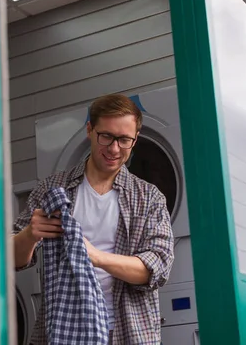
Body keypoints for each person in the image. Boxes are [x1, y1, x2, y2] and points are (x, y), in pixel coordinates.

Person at [12, 93, 175, 344]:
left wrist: (95, 257)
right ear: (90, 130)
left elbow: (157, 268)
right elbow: (10, 259)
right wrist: (29, 235)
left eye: (124, 140)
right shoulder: (53, 190)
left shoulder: (148, 198)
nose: (113, 148)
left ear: (135, 140)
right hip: (63, 329)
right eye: (106, 136)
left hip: (128, 331)